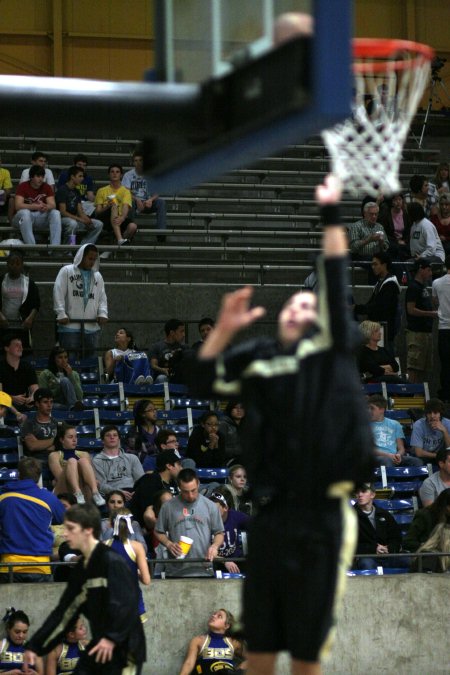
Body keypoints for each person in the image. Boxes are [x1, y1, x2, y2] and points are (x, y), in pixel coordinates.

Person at [188, 175, 375, 674]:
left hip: (322, 516)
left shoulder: (332, 353)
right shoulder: (261, 357)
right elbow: (202, 380)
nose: (299, 303)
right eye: (294, 300)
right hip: (270, 515)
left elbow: (334, 272)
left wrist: (332, 212)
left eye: (310, 303)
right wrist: (224, 329)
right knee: (261, 648)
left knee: (306, 655)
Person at [23, 503, 146, 674]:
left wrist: (111, 639)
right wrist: (35, 646)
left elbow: (129, 604)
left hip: (126, 646)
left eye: (71, 528)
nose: (65, 533)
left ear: (87, 530)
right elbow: (64, 613)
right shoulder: (81, 569)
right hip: (101, 643)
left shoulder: (112, 561)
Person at [0, 457, 65, 583]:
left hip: (9, 565)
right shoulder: (48, 498)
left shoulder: (3, 497)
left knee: (9, 604)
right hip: (40, 566)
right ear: (39, 475)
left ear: (19, 474)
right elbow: (63, 518)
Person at [155, 467, 224, 577]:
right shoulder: (168, 507)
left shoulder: (210, 506)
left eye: (193, 490)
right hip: (176, 571)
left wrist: (215, 546)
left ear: (198, 484)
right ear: (179, 488)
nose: (190, 495)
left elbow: (219, 533)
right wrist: (168, 544)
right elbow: (158, 531)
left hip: (204, 569)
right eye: (185, 492)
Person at [53, 243, 108, 358]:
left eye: (94, 259)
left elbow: (102, 297)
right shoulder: (67, 271)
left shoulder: (98, 276)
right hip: (69, 327)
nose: (92, 262)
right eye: (89, 258)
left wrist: (103, 313)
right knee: (69, 360)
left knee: (90, 361)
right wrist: (61, 313)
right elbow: (58, 291)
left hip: (91, 327)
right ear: (81, 256)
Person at [103, 509, 151, 623]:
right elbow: (146, 580)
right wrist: (137, 574)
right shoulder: (137, 547)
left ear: (110, 523)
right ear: (131, 525)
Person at [353, 251, 400, 353]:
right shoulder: (380, 283)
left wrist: (356, 308)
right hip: (379, 330)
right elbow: (371, 304)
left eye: (376, 264)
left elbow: (378, 307)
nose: (373, 267)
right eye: (372, 265)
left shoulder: (390, 284)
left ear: (384, 265)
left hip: (385, 332)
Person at [48, 424, 105, 507]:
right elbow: (60, 477)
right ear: (62, 439)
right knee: (72, 461)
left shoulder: (84, 455)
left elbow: (93, 478)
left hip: (84, 490)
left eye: (76, 437)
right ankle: (77, 492)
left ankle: (95, 493)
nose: (74, 440)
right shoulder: (54, 455)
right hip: (64, 489)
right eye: (70, 437)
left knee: (83, 461)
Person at [179, 609, 246, 675]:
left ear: (226, 625)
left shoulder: (233, 642)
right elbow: (189, 663)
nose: (214, 616)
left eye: (219, 616)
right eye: (214, 614)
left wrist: (239, 669)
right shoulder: (198, 641)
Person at [353, 483, 404, 570]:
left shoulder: (384, 514)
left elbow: (396, 537)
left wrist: (389, 549)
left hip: (387, 555)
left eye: (364, 491)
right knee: (367, 564)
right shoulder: (350, 516)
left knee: (407, 561)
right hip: (365, 557)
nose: (360, 495)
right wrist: (374, 549)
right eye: (357, 492)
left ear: (372, 495)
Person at [129, 447, 183, 529]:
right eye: (179, 464)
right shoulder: (150, 482)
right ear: (169, 466)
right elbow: (148, 515)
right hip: (152, 530)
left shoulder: (174, 482)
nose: (181, 468)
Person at [0, 249, 40, 353]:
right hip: (4, 325)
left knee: (22, 354)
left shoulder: (29, 283)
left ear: (22, 265)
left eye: (18, 263)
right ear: (7, 264)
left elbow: (36, 304)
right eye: (12, 263)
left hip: (22, 326)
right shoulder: (1, 280)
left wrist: (30, 319)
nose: (14, 266)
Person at [367, 394, 422, 467]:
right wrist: (388, 455)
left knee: (417, 462)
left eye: (372, 408)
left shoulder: (395, 424)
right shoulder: (365, 426)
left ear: (382, 409)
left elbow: (401, 448)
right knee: (387, 461)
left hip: (394, 457)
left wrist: (398, 455)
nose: (369, 411)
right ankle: (390, 478)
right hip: (377, 457)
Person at [405, 258, 437, 383]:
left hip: (426, 333)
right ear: (420, 269)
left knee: (424, 368)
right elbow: (411, 310)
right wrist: (430, 314)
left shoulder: (423, 287)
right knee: (414, 367)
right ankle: (411, 396)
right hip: (416, 333)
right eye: (428, 270)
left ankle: (420, 397)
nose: (430, 274)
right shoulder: (413, 287)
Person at [12, 165, 61, 246]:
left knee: (55, 213)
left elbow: (53, 205)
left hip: (39, 217)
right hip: (21, 219)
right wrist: (35, 206)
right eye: (38, 176)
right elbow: (18, 206)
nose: (41, 179)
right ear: (31, 177)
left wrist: (46, 206)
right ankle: (32, 248)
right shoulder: (23, 186)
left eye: (42, 176)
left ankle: (55, 248)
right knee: (25, 213)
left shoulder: (47, 187)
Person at [92, 424, 144, 501]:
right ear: (103, 440)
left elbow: (141, 481)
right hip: (112, 494)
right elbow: (101, 486)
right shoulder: (97, 461)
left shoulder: (132, 458)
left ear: (119, 439)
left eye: (115, 435)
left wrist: (136, 492)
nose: (112, 437)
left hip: (133, 492)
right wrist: (118, 492)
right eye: (108, 435)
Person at [121, 148, 166, 236]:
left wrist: (151, 200)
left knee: (161, 202)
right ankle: (130, 230)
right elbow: (125, 192)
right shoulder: (128, 175)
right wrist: (137, 200)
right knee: (129, 202)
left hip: (148, 203)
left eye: (140, 160)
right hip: (135, 203)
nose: (138, 163)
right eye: (136, 161)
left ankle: (161, 233)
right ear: (133, 163)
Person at [55, 165, 103, 246]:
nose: (82, 178)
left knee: (98, 224)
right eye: (80, 176)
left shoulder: (76, 191)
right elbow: (63, 212)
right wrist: (81, 220)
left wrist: (87, 220)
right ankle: (69, 248)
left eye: (83, 176)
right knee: (72, 224)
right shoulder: (62, 190)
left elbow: (80, 211)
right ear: (72, 177)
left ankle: (84, 247)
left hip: (75, 219)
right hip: (63, 220)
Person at [94, 164, 137, 246]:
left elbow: (126, 206)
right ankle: (119, 239)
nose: (114, 174)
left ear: (121, 175)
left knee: (133, 227)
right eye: (112, 172)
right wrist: (107, 206)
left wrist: (122, 218)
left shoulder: (125, 191)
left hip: (119, 217)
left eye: (117, 172)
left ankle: (115, 244)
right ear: (109, 174)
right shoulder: (101, 190)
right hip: (105, 218)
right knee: (114, 206)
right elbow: (97, 212)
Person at [209, 491, 250, 574]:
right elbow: (203, 550)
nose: (210, 512)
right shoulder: (205, 520)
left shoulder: (235, 516)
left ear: (226, 508)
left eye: (214, 509)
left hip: (236, 560)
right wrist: (225, 561)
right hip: (214, 561)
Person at [20, 388, 58, 469]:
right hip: (38, 461)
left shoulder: (57, 423)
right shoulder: (29, 424)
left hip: (57, 458)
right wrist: (55, 440)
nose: (49, 405)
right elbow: (32, 446)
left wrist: (41, 444)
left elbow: (64, 443)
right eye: (45, 402)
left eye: (51, 402)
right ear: (37, 403)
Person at [403, 488, 450, 552]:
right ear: (446, 506)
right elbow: (408, 542)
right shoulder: (424, 515)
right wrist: (426, 547)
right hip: (430, 555)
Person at [0, 335, 38, 411]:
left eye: (21, 345)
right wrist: (12, 398)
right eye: (16, 345)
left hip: (25, 404)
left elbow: (35, 389)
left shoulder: (27, 366)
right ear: (7, 348)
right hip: (6, 404)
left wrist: (32, 398)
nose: (21, 348)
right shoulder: (1, 367)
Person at [0, 608, 44, 674]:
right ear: (8, 629)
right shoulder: (1, 646)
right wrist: (7, 673)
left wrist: (35, 674)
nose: (21, 635)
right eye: (17, 632)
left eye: (25, 632)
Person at [410, 398, 450, 465]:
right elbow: (419, 453)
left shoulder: (447, 424)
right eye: (429, 413)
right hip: (422, 458)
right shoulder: (418, 425)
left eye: (435, 413)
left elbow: (449, 449)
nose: (432, 416)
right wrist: (438, 456)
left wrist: (444, 431)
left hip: (440, 457)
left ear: (440, 413)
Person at [432, 256, 450, 401]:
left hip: (444, 328)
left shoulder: (437, 283)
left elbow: (435, 301)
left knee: (445, 363)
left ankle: (446, 393)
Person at [149, 318, 187, 383]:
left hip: (179, 376)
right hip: (164, 375)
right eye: (181, 331)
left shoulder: (184, 347)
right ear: (172, 333)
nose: (184, 335)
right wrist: (162, 370)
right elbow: (153, 365)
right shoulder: (156, 347)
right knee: (161, 378)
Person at [125, 399, 159, 470]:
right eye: (151, 410)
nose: (154, 412)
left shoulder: (159, 429)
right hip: (141, 466)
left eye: (155, 409)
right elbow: (131, 453)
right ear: (143, 414)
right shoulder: (134, 431)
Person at [378, 193, 411, 259]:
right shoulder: (386, 214)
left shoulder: (406, 214)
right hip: (391, 241)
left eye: (400, 199)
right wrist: (396, 241)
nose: (398, 202)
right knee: (395, 248)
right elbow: (385, 231)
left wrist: (404, 241)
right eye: (395, 200)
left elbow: (408, 230)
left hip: (404, 241)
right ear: (392, 202)